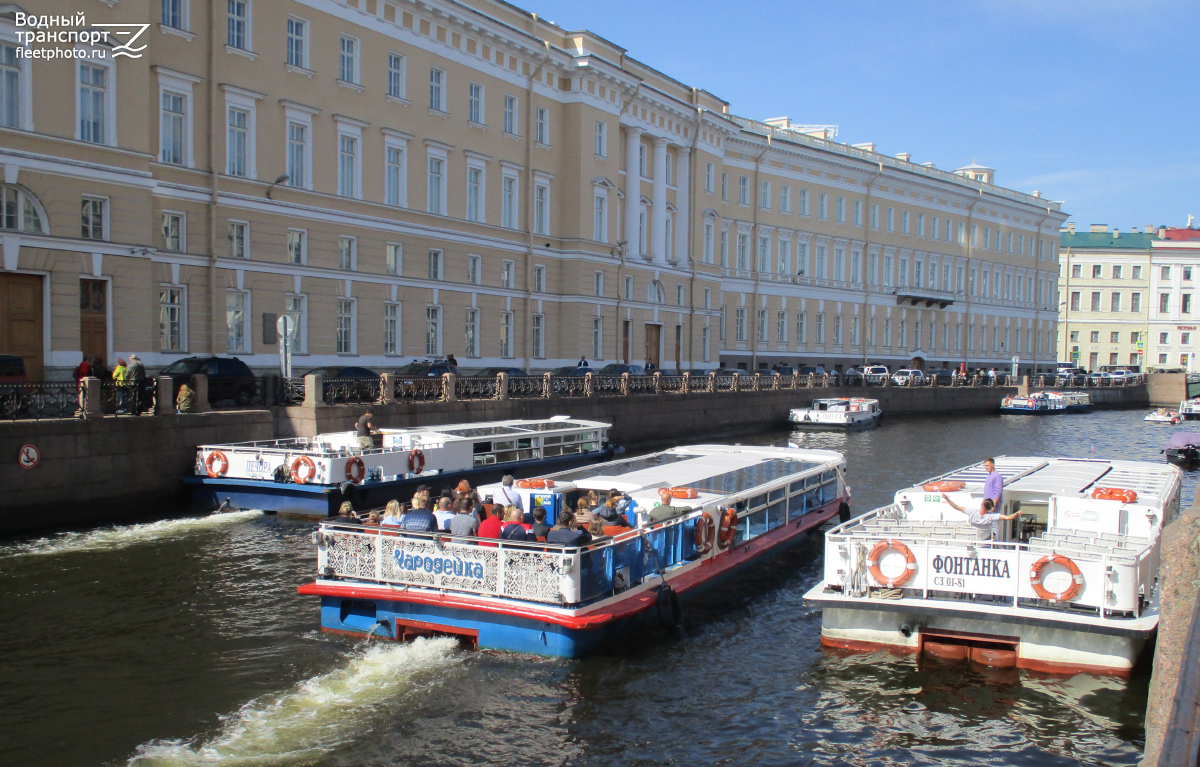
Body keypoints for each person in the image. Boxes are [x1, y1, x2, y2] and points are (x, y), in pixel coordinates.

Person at [942, 494, 1020, 541]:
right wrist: (1017, 513)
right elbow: (1008, 517)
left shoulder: (972, 512)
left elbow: (956, 507)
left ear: (982, 504)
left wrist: (946, 498)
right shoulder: (991, 516)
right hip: (985, 542)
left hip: (972, 540)